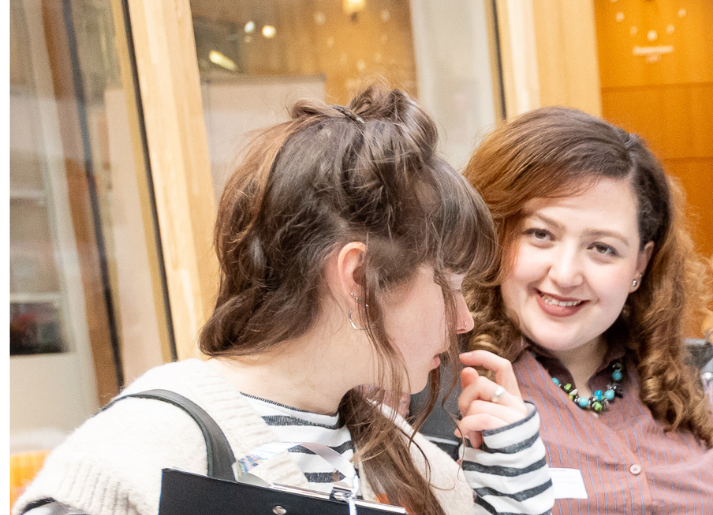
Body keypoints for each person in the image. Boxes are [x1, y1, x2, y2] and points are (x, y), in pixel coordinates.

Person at [12, 86, 554, 515]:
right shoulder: (144, 450)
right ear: (359, 277)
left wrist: (509, 471)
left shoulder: (399, 452)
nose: (462, 320)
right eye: (448, 286)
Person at [459, 107, 713, 513]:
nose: (566, 274)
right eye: (541, 234)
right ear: (493, 235)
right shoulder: (440, 390)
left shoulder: (674, 380)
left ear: (640, 264)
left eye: (602, 247)